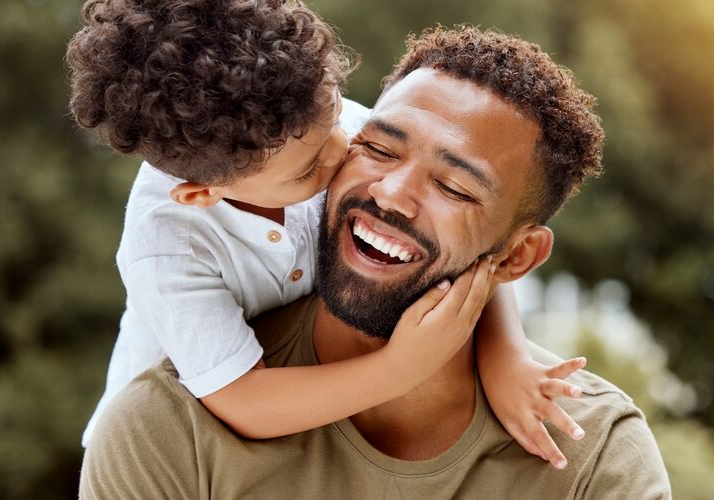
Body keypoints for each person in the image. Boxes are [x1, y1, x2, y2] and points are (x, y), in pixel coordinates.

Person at [80, 26, 672, 498]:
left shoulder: (595, 454)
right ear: (203, 190)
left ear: (518, 256)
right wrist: (401, 366)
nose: (384, 188)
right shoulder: (162, 424)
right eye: (380, 151)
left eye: (456, 188)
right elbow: (243, 400)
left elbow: (476, 257)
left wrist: (506, 357)